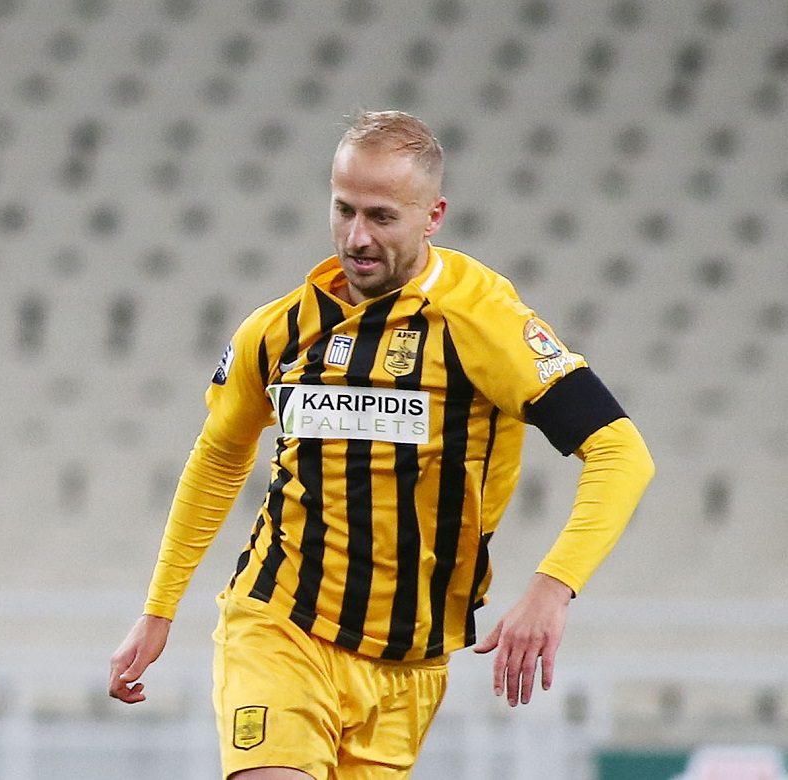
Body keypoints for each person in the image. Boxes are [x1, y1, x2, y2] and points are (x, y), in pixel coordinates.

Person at [106, 111, 655, 779]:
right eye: (344, 210)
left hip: (409, 663)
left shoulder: (482, 321)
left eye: (382, 217)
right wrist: (159, 608)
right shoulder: (280, 331)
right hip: (280, 624)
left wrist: (552, 589)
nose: (357, 237)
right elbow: (220, 456)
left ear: (433, 216)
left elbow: (621, 453)